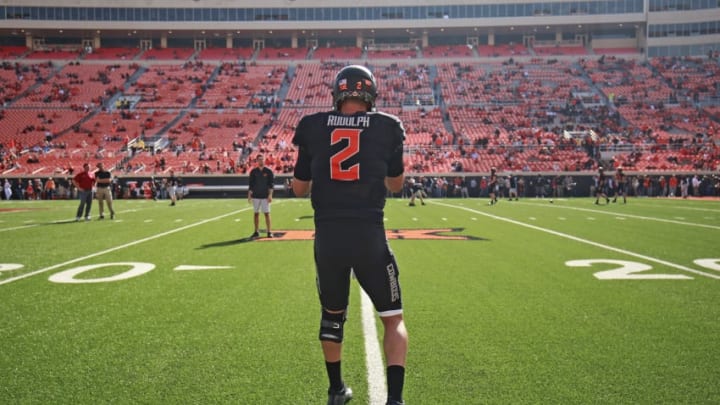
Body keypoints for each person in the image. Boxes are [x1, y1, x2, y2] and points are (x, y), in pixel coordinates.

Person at [291, 65, 408, 405]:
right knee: (392, 317)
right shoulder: (387, 126)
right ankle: (396, 399)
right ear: (370, 94)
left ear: (337, 93)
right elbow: (397, 185)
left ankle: (336, 389)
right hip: (368, 234)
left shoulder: (312, 126)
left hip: (328, 237)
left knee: (332, 315)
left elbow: (299, 189)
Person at [248, 154, 274, 238]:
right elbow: (251, 185)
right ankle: (256, 231)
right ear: (257, 161)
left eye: (262, 159)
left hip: (265, 196)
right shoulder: (253, 171)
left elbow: (271, 185)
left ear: (264, 160)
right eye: (259, 159)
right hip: (256, 195)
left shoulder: (269, 171)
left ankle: (269, 231)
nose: (261, 161)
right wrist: (249, 195)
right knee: (256, 214)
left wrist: (270, 195)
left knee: (267, 213)